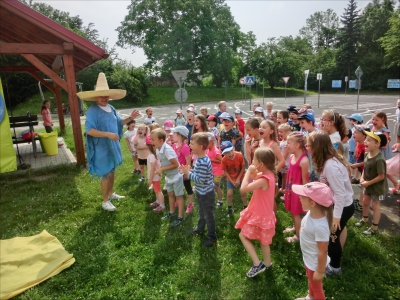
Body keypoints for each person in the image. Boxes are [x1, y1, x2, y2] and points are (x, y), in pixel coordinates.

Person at [78, 72, 140, 211]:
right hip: (101, 148)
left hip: (112, 145)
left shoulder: (111, 108)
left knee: (111, 170)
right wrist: (107, 134)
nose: (104, 98)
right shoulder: (93, 110)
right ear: (96, 96)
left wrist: (130, 117)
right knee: (106, 173)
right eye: (101, 95)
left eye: (106, 95)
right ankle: (105, 201)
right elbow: (89, 130)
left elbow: (119, 123)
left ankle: (111, 193)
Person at [306, 131, 354, 276]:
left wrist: (336, 217)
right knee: (333, 236)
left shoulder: (331, 167)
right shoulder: (328, 162)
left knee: (332, 238)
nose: (306, 147)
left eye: (308, 145)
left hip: (342, 207)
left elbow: (340, 194)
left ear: (317, 147)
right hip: (339, 205)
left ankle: (335, 267)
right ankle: (332, 260)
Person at [235, 147, 276, 278]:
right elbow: (255, 178)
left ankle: (257, 264)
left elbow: (244, 189)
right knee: (264, 242)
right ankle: (268, 263)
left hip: (259, 216)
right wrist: (252, 173)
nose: (252, 162)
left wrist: (247, 174)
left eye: (254, 160)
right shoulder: (269, 175)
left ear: (261, 164)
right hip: (265, 215)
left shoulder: (264, 180)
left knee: (243, 236)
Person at [292, 182, 333, 300]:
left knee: (317, 288)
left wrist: (320, 271)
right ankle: (310, 297)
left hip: (315, 264)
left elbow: (323, 251)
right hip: (309, 258)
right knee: (310, 279)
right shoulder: (312, 213)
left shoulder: (320, 227)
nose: (299, 197)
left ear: (312, 203)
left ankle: (314, 296)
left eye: (302, 196)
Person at [179, 132, 216, 247]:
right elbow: (197, 173)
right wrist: (190, 171)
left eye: (192, 143)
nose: (189, 145)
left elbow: (200, 180)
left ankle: (212, 236)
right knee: (201, 212)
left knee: (208, 216)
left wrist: (188, 173)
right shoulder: (200, 159)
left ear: (200, 147)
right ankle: (200, 229)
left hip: (206, 194)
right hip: (201, 192)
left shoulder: (204, 162)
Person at [355, 131, 388, 235]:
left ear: (377, 144)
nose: (365, 141)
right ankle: (364, 219)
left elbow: (381, 176)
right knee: (365, 202)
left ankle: (374, 227)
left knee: (375, 206)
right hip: (367, 184)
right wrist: (362, 177)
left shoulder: (379, 160)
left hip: (377, 187)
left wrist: (368, 183)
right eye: (366, 139)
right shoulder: (367, 153)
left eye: (368, 140)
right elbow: (365, 166)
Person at [151, 128, 185, 226]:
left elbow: (176, 164)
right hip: (169, 176)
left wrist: (162, 169)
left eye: (153, 139)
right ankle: (171, 212)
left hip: (176, 176)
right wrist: (161, 169)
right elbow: (163, 162)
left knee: (179, 196)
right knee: (170, 195)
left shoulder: (167, 150)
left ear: (161, 140)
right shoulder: (158, 149)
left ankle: (180, 217)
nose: (151, 141)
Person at [283, 132, 309, 243]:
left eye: (288, 143)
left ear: (297, 145)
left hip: (298, 192)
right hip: (291, 188)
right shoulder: (293, 156)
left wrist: (304, 196)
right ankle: (295, 227)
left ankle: (298, 237)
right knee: (292, 211)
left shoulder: (304, 161)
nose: (286, 145)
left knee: (296, 212)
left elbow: (305, 181)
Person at [171, 126, 195, 214]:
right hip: (177, 171)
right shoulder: (174, 145)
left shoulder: (185, 147)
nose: (172, 135)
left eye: (174, 133)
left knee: (188, 187)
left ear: (180, 135)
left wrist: (186, 173)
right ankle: (178, 200)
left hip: (184, 171)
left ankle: (190, 204)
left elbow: (188, 161)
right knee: (178, 187)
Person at [220, 141, 247, 214]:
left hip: (241, 177)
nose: (230, 154)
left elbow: (243, 167)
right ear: (224, 153)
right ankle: (229, 208)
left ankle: (245, 207)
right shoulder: (224, 160)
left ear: (234, 148)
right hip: (230, 178)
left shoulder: (240, 155)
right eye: (227, 152)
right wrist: (232, 181)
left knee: (243, 192)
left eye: (231, 150)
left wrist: (238, 179)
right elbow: (225, 172)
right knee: (229, 194)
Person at [146, 136, 165, 212]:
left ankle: (162, 205)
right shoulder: (155, 154)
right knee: (156, 190)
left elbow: (153, 168)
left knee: (158, 191)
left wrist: (150, 179)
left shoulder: (152, 156)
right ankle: (158, 201)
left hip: (154, 177)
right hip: (155, 176)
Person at [206, 133, 224, 206]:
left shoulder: (215, 151)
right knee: (212, 186)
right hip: (212, 171)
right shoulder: (208, 150)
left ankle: (220, 201)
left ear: (211, 142)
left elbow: (221, 161)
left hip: (218, 172)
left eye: (206, 143)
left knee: (216, 186)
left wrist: (211, 160)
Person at [346, 113, 364, 183]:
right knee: (353, 165)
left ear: (355, 121)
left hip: (354, 150)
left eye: (351, 120)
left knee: (355, 165)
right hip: (353, 150)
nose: (349, 122)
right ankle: (355, 177)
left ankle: (356, 177)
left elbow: (357, 141)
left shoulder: (357, 129)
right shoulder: (355, 129)